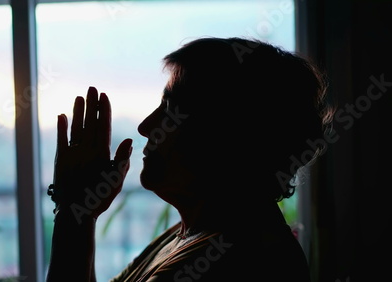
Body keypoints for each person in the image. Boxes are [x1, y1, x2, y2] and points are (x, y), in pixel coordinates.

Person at [45, 37, 334, 282]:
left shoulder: (235, 258)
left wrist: (74, 212)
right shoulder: (188, 235)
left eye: (170, 110)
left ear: (225, 136)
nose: (146, 126)